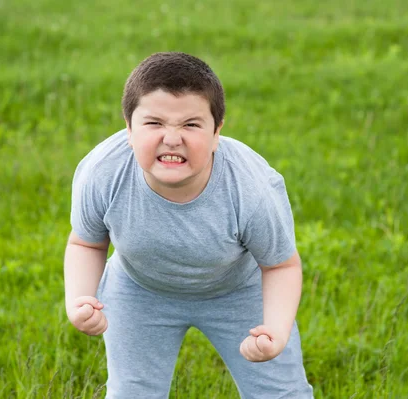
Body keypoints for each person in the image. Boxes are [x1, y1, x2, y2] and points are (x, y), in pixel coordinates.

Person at [64, 51, 314, 398]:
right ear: (129, 129)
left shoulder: (250, 188)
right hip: (140, 289)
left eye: (191, 125)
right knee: (132, 392)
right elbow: (86, 243)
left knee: (281, 392)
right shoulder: (103, 174)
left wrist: (275, 330)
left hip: (237, 291)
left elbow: (281, 265)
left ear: (216, 134)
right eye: (154, 123)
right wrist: (79, 299)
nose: (172, 138)